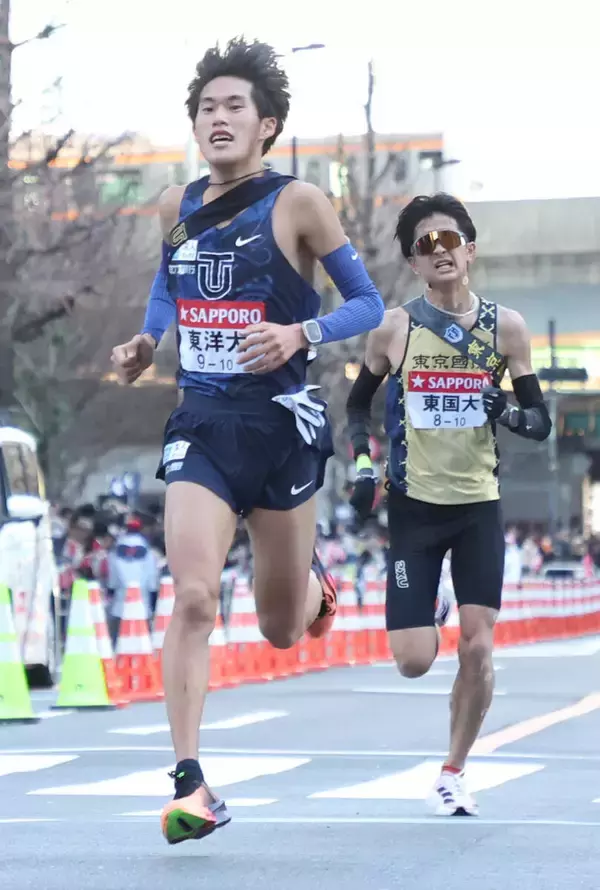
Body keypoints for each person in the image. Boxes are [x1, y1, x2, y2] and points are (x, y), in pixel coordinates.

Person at [111, 37, 384, 845]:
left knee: (277, 627)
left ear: (267, 125)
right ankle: (190, 785)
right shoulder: (176, 202)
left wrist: (301, 332)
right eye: (206, 108)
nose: (219, 118)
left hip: (282, 429)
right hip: (202, 423)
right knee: (192, 596)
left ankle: (313, 589)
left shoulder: (299, 203)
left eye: (235, 107)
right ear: (194, 126)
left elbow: (367, 304)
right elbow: (170, 278)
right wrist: (147, 340)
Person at [346, 192, 551, 816]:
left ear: (469, 249)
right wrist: (362, 466)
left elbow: (540, 422)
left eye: (450, 240)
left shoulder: (506, 328)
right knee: (412, 661)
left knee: (478, 646)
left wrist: (505, 410)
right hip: (413, 507)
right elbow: (357, 405)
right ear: (414, 262)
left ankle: (454, 770)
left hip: (477, 507)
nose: (441, 253)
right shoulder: (395, 327)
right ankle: (430, 599)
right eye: (425, 245)